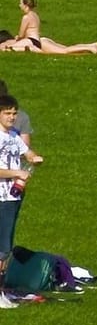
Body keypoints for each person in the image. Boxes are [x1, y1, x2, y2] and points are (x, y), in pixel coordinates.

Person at [0, 95, 40, 262]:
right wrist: (18, 173)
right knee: (2, 247)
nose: (12, 117)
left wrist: (34, 158)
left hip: (14, 195)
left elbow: (27, 152)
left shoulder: (13, 136)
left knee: (4, 245)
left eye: (14, 113)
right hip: (1, 197)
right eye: (7, 113)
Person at [6, 0, 97, 55]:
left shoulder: (26, 17)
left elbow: (21, 35)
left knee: (64, 51)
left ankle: (90, 48)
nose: (19, 5)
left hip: (31, 41)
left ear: (26, 5)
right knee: (65, 48)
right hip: (38, 40)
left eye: (20, 3)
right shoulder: (35, 15)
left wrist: (17, 38)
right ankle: (91, 45)